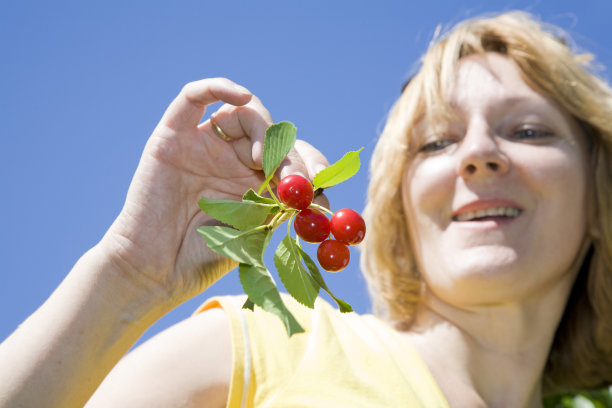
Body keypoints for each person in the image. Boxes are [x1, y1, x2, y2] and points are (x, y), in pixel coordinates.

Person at [1, 10, 611, 407]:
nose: (478, 154)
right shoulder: (274, 343)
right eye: (437, 142)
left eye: (528, 131)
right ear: (401, 210)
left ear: (599, 194)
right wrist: (131, 275)